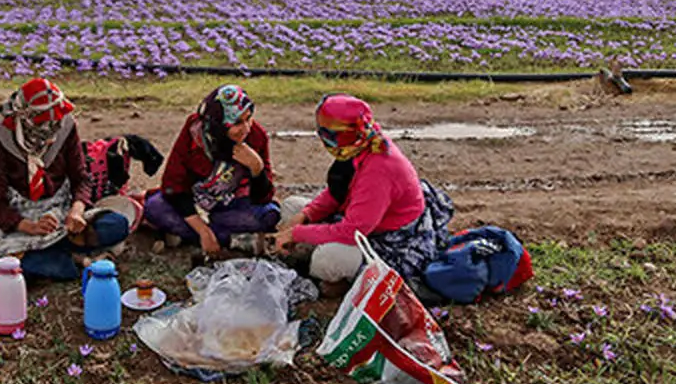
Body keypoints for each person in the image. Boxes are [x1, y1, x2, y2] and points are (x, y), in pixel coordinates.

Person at [275, 93, 453, 289]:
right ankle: (315, 252)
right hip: (365, 222)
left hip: (392, 242)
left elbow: (352, 232)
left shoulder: (379, 169)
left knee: (328, 260)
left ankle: (343, 282)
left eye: (327, 135)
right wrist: (306, 215)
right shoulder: (360, 144)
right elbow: (338, 192)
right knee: (293, 207)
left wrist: (297, 233)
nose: (323, 139)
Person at [0, 78, 130, 280]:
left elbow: (81, 179)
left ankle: (65, 253)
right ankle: (76, 256)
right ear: (26, 118)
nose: (51, 131)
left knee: (117, 224)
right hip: (20, 218)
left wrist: (77, 211)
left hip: (60, 212)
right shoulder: (2, 135)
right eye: (44, 123)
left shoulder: (66, 125)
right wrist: (29, 226)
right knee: (14, 265)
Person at [143, 84, 280, 256]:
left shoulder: (256, 136)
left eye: (249, 118)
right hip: (195, 203)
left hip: (230, 204)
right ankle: (231, 240)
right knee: (154, 207)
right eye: (237, 122)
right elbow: (173, 185)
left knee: (269, 215)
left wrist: (256, 167)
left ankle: (183, 234)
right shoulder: (195, 132)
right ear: (219, 124)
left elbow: (262, 198)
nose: (246, 128)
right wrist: (202, 230)